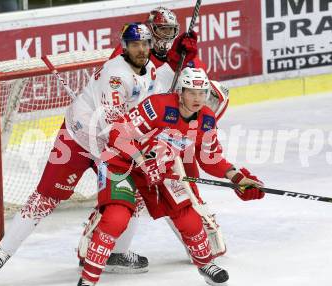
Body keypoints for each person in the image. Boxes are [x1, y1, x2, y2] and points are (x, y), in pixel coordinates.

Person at [0, 22, 197, 276]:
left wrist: (177, 60)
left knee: (133, 198)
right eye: (134, 44)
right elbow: (114, 127)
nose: (140, 49)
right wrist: (142, 158)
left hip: (113, 144)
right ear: (124, 47)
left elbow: (160, 93)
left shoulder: (148, 69)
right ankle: (3, 251)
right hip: (81, 139)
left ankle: (116, 255)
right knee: (47, 196)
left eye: (144, 44)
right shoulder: (116, 76)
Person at [77, 67, 265, 286]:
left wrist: (238, 178)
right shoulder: (158, 106)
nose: (198, 98)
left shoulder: (206, 119)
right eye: (192, 92)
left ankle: (205, 265)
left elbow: (211, 158)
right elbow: (118, 134)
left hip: (160, 169)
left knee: (188, 217)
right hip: (121, 164)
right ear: (180, 92)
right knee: (116, 218)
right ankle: (89, 279)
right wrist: (141, 160)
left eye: (202, 93)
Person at [77, 7, 230, 273]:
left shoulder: (176, 59)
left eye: (170, 31)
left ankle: (198, 237)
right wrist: (168, 60)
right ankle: (93, 244)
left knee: (183, 192)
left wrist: (189, 60)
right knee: (126, 198)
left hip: (171, 137)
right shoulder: (128, 58)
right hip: (132, 137)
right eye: (158, 31)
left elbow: (195, 88)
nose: (164, 37)